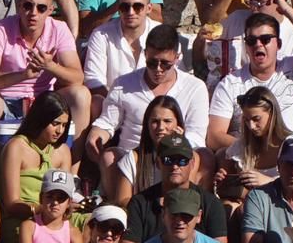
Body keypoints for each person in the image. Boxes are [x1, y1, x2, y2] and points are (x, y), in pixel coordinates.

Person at [84, 26, 209, 205]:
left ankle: (189, 206)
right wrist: (97, 134)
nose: (158, 69)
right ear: (145, 55)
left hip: (176, 155)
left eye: (165, 64)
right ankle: (119, 211)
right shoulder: (123, 84)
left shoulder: (195, 87)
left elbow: (197, 135)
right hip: (133, 156)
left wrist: (177, 142)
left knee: (203, 156)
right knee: (109, 156)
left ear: (177, 57)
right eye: (152, 63)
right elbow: (107, 122)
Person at [0, 0, 90, 140]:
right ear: (19, 5)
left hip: (45, 102)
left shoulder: (59, 29)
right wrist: (23, 75)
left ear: (50, 10)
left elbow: (77, 77)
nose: (33, 13)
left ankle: (71, 162)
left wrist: (50, 66)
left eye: (41, 8)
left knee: (81, 94)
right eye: (28, 6)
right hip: (5, 101)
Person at [204, 3, 293, 150]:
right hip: (246, 157)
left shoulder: (292, 70)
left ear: (278, 44)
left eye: (266, 39)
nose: (258, 45)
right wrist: (256, 149)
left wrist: (286, 9)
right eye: (251, 41)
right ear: (246, 47)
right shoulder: (230, 83)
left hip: (284, 160)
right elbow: (214, 136)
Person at [123, 133, 229, 243]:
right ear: (158, 163)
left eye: (182, 161)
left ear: (192, 163)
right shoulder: (140, 202)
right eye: (168, 160)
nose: (175, 166)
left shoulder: (210, 203)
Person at [0, 93, 74, 228]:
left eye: (64, 125)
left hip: (55, 217)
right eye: (55, 124)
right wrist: (42, 210)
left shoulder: (63, 151)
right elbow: (11, 204)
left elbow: (65, 195)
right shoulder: (16, 147)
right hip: (23, 220)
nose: (60, 130)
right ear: (40, 119)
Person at [82, 0, 161, 104]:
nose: (131, 12)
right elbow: (94, 82)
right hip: (113, 106)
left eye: (138, 7)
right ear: (118, 8)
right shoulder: (101, 35)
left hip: (155, 109)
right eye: (124, 7)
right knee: (96, 102)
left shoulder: (162, 34)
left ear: (148, 8)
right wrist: (122, 105)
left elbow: (176, 79)